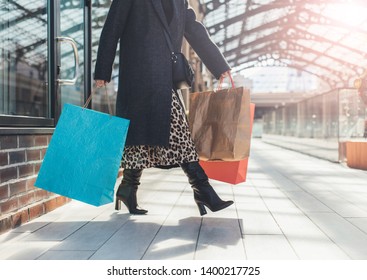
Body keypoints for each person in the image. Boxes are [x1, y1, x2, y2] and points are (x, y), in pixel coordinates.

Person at [94, 0, 233, 216]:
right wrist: (103, 70)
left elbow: (194, 29)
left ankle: (128, 188)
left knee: (140, 139)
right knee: (178, 130)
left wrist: (219, 66)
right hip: (139, 76)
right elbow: (113, 26)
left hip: (164, 77)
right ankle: (202, 188)